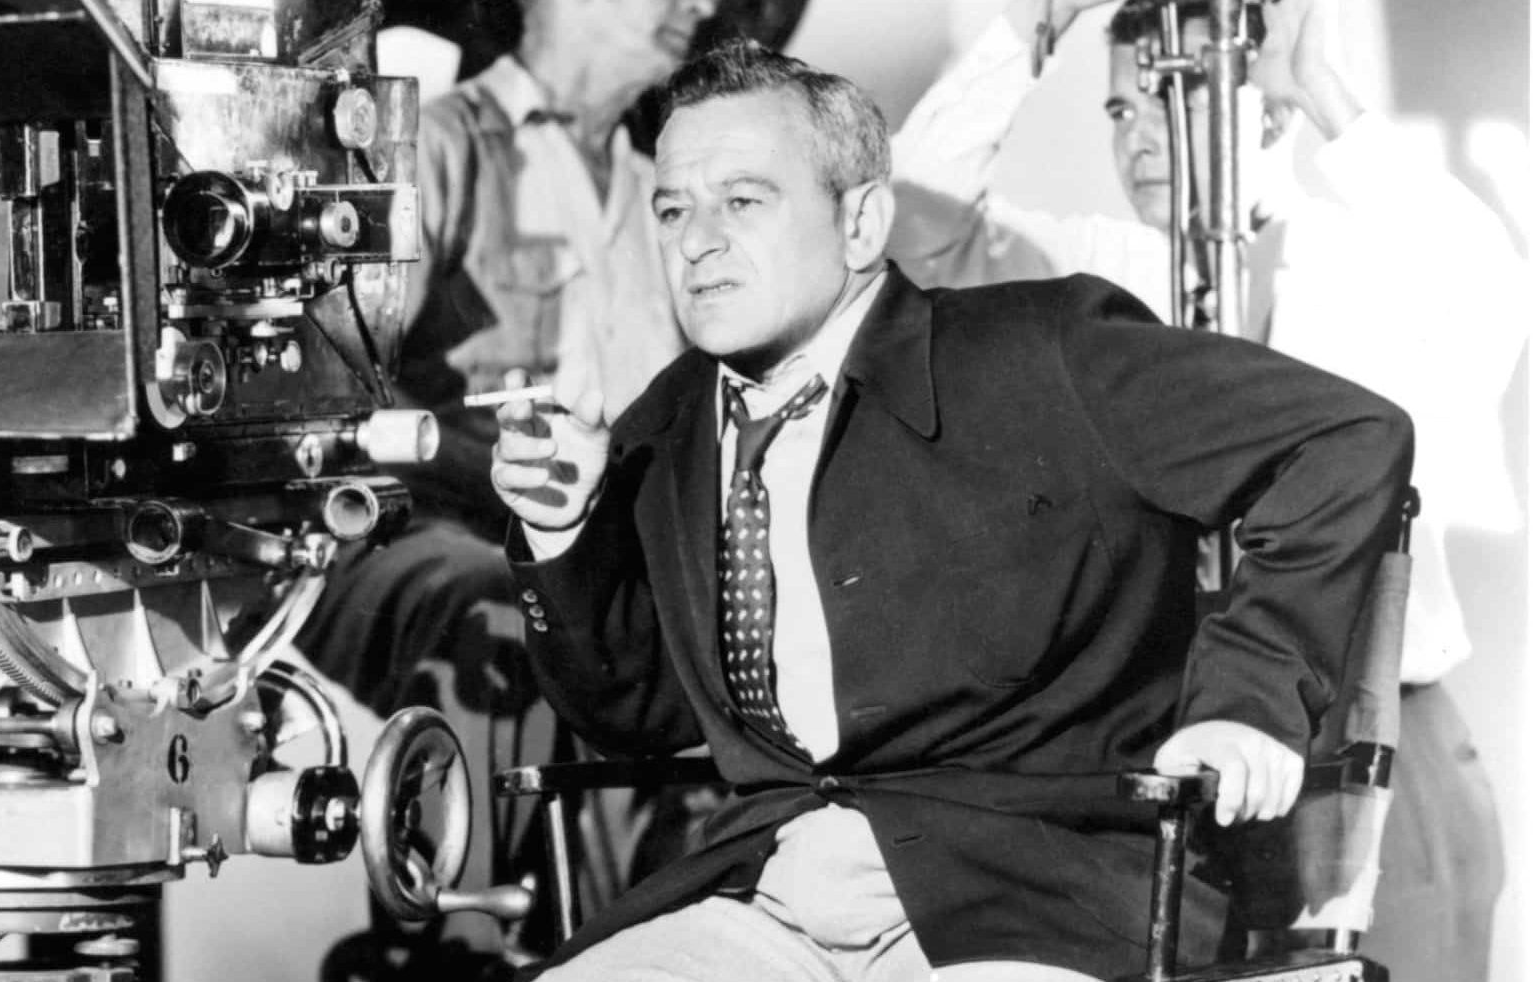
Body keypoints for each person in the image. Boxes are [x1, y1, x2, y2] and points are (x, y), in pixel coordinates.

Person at [490, 39, 1413, 981]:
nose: (695, 242)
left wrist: (1247, 700)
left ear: (860, 222)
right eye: (672, 209)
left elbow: (1343, 436)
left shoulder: (1040, 352)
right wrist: (563, 533)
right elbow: (631, 714)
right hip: (770, 899)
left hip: (1033, 903)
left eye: (742, 201)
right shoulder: (670, 421)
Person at [886, 2, 1514, 976]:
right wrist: (1023, 32)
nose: (1141, 134)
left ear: (1264, 109)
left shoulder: (1369, 263)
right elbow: (913, 224)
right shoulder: (1103, 281)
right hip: (1202, 754)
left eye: (1172, 97)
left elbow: (1487, 287)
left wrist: (1321, 92)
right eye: (1120, 110)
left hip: (1380, 747)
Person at [296, 0, 719, 970]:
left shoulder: (662, 191)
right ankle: (451, 946)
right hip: (402, 536)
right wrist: (510, 477)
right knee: (499, 605)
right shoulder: (434, 149)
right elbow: (334, 390)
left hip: (598, 558)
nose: (699, 6)